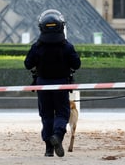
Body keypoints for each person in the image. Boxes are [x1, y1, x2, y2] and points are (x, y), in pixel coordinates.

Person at [24, 9, 81, 158]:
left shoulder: (37, 47)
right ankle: (57, 135)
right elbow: (77, 64)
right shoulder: (66, 46)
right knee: (62, 113)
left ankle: (49, 149)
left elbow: (27, 64)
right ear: (61, 27)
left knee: (46, 116)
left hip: (42, 84)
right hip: (61, 84)